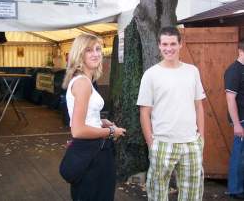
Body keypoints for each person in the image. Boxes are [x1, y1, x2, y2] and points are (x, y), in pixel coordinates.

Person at [137, 26, 205, 201]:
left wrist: (201, 139)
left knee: (192, 196)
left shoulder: (192, 71)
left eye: (173, 43)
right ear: (159, 45)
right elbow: (144, 112)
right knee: (157, 195)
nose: (169, 48)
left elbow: (199, 106)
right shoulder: (151, 75)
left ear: (180, 44)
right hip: (162, 143)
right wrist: (151, 143)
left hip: (191, 143)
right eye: (165, 44)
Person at [62, 33, 126, 201]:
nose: (96, 53)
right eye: (89, 50)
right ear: (79, 54)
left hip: (94, 151)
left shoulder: (84, 81)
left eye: (98, 49)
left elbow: (84, 117)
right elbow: (78, 130)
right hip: (92, 153)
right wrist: (112, 131)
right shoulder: (83, 83)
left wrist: (100, 121)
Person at [224, 39, 244, 200]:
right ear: (241, 51)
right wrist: (237, 124)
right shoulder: (234, 71)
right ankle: (235, 189)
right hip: (242, 121)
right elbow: (230, 100)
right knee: (239, 154)